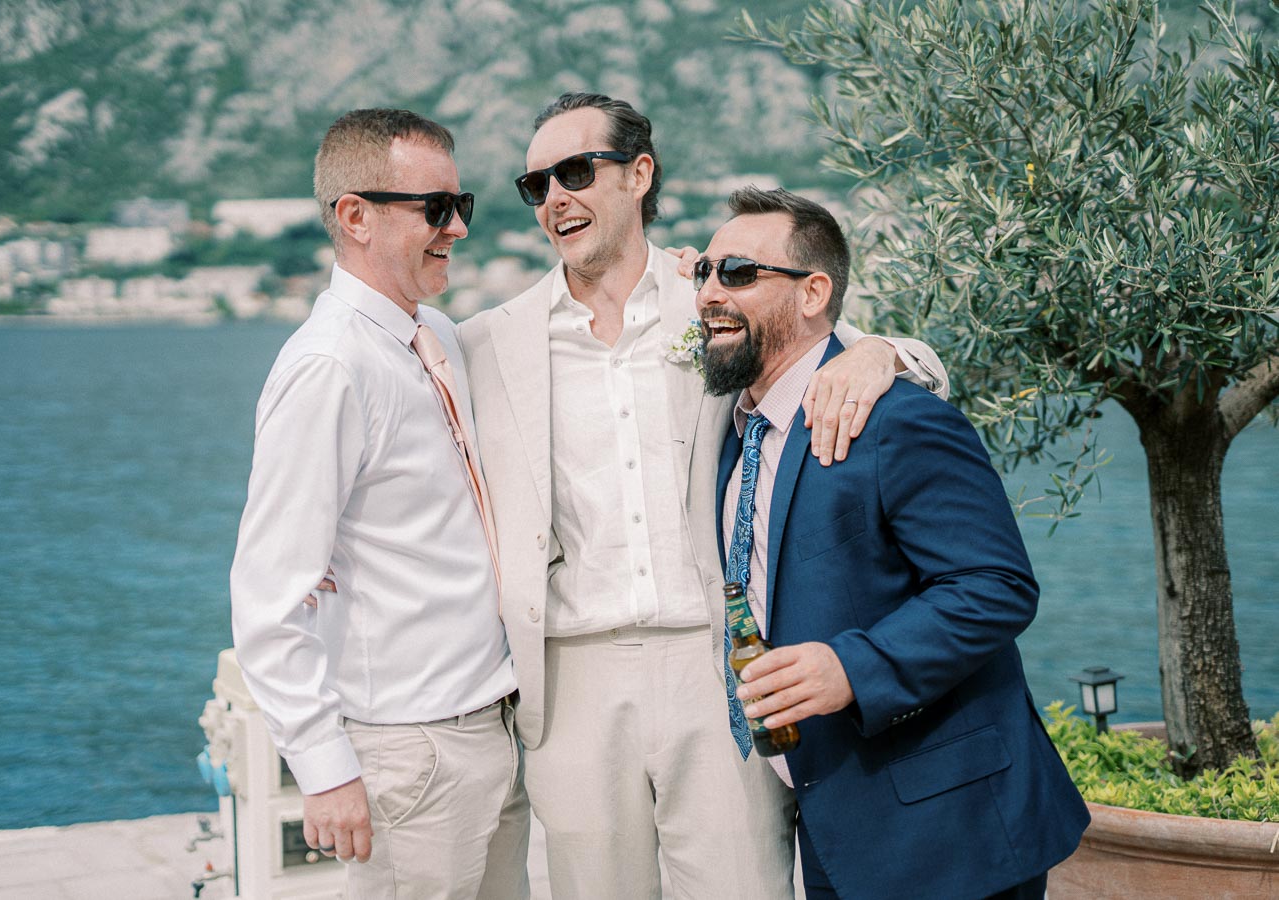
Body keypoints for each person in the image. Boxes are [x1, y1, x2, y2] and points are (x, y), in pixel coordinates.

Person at [456, 92, 949, 898]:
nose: (555, 198)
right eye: (535, 183)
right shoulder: (488, 343)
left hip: (719, 664)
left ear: (639, 174)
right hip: (571, 683)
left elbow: (919, 369)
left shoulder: (717, 298)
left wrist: (881, 352)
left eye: (575, 171)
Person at [700, 186, 1090, 899]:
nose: (708, 293)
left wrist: (851, 666)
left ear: (813, 291)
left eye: (737, 273)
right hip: (832, 821)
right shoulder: (732, 432)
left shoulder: (895, 418)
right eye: (704, 272)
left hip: (949, 827)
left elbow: (995, 587)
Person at [229, 108, 528, 900]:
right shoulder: (328, 368)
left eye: (462, 206)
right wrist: (324, 769)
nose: (457, 229)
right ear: (353, 216)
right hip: (410, 757)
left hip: (493, 728)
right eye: (434, 209)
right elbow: (269, 593)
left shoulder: (434, 335)